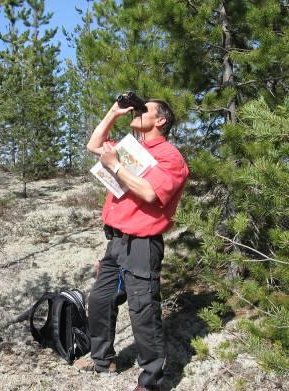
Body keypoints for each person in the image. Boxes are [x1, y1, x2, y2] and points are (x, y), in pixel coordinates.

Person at [74, 97, 189, 391]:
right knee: (100, 300)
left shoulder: (170, 157)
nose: (137, 113)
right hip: (116, 241)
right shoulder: (132, 148)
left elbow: (150, 193)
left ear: (160, 120)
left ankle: (150, 381)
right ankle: (103, 361)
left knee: (143, 311)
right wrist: (114, 111)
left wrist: (115, 166)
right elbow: (94, 144)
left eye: (144, 110)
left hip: (142, 244)